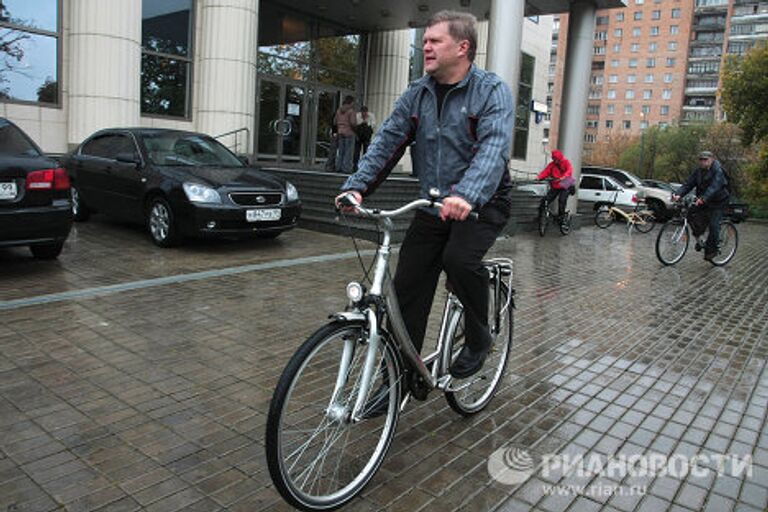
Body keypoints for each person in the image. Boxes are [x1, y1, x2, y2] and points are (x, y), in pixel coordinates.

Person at [336, 10, 514, 380]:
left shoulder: (491, 91)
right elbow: (386, 142)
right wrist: (355, 187)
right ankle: (400, 381)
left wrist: (467, 194)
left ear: (462, 47)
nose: (424, 46)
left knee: (459, 260)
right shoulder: (418, 94)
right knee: (406, 293)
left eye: (435, 40)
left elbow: (493, 148)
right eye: (424, 39)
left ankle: (480, 336)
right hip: (433, 206)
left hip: (483, 203)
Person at [672, 150, 730, 261]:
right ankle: (699, 238)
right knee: (692, 215)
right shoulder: (698, 172)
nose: (703, 162)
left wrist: (704, 198)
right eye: (701, 159)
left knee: (714, 225)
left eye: (705, 159)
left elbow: (714, 187)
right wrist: (678, 194)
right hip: (703, 200)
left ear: (712, 159)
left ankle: (712, 250)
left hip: (718, 201)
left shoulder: (718, 171)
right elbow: (688, 184)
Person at [537, 150, 574, 220]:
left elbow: (569, 170)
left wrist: (563, 177)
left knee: (562, 200)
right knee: (545, 200)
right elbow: (546, 172)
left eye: (556, 158)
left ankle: (561, 217)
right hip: (556, 185)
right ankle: (540, 217)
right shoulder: (552, 165)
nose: (554, 160)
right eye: (553, 158)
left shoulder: (566, 162)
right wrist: (539, 177)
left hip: (566, 183)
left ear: (559, 158)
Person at [334, 96, 357, 173]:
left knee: (341, 151)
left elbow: (335, 121)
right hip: (349, 132)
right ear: (350, 102)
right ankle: (346, 168)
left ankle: (338, 167)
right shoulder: (351, 111)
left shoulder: (338, 111)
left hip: (340, 132)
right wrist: (356, 130)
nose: (354, 104)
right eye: (353, 103)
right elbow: (353, 123)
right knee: (348, 152)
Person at [353, 105, 376, 171]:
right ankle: (355, 166)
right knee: (356, 151)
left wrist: (367, 122)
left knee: (366, 151)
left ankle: (365, 166)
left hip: (366, 136)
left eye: (365, 113)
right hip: (359, 135)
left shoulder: (371, 116)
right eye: (363, 113)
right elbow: (355, 125)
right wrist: (362, 122)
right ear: (361, 112)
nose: (364, 115)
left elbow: (373, 125)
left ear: (367, 112)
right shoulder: (357, 116)